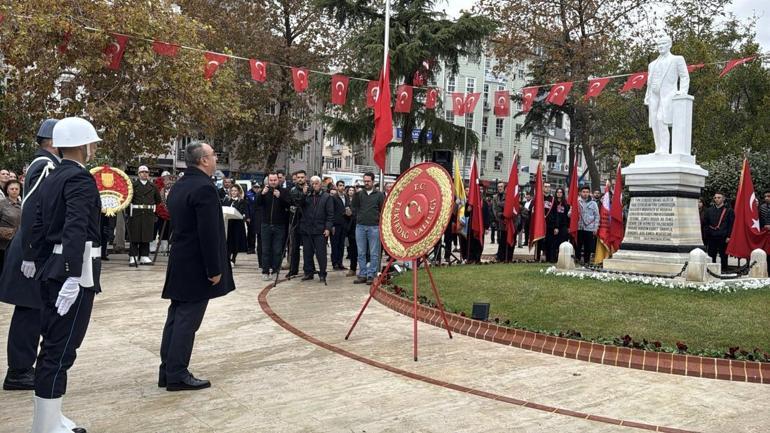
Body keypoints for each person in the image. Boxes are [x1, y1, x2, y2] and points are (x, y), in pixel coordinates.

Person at [23, 117, 102, 432]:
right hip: (75, 270)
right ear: (83, 146)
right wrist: (72, 275)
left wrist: (33, 257)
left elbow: (38, 221)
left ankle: (51, 417)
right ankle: (46, 425)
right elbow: (76, 227)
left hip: (52, 269)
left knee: (53, 344)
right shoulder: (80, 179)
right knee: (61, 348)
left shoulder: (53, 175)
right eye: (92, 143)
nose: (94, 148)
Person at [160, 141, 235, 392]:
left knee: (175, 317)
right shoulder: (204, 188)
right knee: (186, 322)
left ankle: (167, 370)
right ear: (203, 160)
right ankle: (177, 373)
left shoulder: (181, 184)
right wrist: (214, 269)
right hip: (196, 263)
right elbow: (209, 232)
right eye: (213, 155)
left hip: (180, 259)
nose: (216, 159)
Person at [0, 119, 59, 392]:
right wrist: (32, 255)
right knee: (30, 313)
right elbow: (36, 210)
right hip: (31, 251)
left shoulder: (42, 163)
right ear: (53, 141)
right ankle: (19, 371)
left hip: (31, 249)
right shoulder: (46, 165)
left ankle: (22, 367)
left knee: (32, 311)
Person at [298, 176, 334, 283]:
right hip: (307, 229)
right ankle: (308, 272)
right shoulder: (307, 196)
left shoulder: (327, 197)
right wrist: (304, 194)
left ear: (320, 184)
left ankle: (322, 273)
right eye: (312, 184)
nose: (314, 186)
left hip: (320, 229)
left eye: (316, 183)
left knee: (321, 253)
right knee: (307, 252)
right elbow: (299, 206)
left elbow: (330, 214)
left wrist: (328, 228)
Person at [256, 171, 291, 281]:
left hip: (279, 225)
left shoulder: (284, 191)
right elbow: (256, 205)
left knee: (277, 250)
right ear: (268, 180)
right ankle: (265, 271)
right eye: (271, 180)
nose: (273, 182)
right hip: (266, 225)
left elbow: (289, 205)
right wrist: (261, 194)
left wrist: (280, 197)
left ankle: (276, 270)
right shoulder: (264, 191)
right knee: (265, 250)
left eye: (275, 180)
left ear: (278, 180)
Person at [352, 172, 384, 284]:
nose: (366, 183)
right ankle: (362, 274)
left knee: (374, 253)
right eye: (364, 181)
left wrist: (377, 221)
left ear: (373, 181)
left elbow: (382, 210)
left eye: (368, 181)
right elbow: (354, 207)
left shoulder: (379, 195)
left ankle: (371, 274)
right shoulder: (360, 194)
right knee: (361, 252)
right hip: (360, 226)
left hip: (374, 227)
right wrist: (355, 194)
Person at [128, 165, 161, 266]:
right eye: (142, 172)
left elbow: (158, 200)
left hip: (148, 213)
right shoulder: (133, 186)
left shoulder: (153, 186)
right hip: (136, 213)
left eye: (146, 172)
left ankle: (144, 256)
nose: (144, 174)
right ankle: (132, 256)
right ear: (138, 174)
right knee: (135, 236)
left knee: (146, 235)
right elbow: (128, 199)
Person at [703, 192, 734, 270]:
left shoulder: (729, 211)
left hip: (723, 237)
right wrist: (707, 234)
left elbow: (731, 224)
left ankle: (724, 271)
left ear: (723, 199)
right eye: (715, 197)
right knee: (711, 255)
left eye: (719, 197)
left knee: (723, 256)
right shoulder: (709, 210)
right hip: (711, 236)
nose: (716, 199)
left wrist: (729, 236)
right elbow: (705, 223)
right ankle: (711, 271)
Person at [286, 170, 307, 278]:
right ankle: (293, 269)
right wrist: (303, 195)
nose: (300, 179)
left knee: (308, 248)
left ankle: (308, 269)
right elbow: (296, 203)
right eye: (298, 177)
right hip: (295, 221)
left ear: (305, 178)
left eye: (302, 177)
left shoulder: (310, 189)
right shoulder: (292, 190)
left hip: (307, 222)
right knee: (294, 247)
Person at [223, 184, 249, 264]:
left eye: (235, 191)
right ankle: (227, 259)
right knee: (228, 242)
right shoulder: (227, 200)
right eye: (232, 191)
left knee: (236, 242)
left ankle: (233, 259)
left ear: (238, 192)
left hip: (237, 224)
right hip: (229, 223)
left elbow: (243, 212)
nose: (233, 192)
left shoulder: (242, 201)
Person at [0, 180, 22, 269]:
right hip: (3, 245)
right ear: (7, 190)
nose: (14, 190)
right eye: (12, 188)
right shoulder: (2, 204)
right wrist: (6, 232)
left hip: (19, 243)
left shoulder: (23, 204)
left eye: (16, 189)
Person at [575, 186, 599, 264]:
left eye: (587, 192)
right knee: (578, 245)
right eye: (584, 192)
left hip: (589, 227)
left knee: (588, 246)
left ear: (589, 193)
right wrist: (572, 213)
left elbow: (597, 216)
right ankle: (577, 259)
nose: (585, 194)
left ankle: (586, 261)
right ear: (580, 192)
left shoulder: (593, 203)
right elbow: (569, 214)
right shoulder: (576, 202)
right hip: (579, 227)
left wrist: (595, 228)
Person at [546, 187, 570, 263]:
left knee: (562, 243)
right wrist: (555, 227)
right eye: (557, 192)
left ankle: (561, 259)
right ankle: (552, 259)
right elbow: (552, 215)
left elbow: (567, 216)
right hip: (554, 226)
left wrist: (568, 226)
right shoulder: (553, 203)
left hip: (563, 226)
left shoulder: (565, 203)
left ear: (563, 194)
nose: (559, 194)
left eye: (560, 192)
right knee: (553, 243)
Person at [330, 180, 348, 270]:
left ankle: (340, 262)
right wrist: (331, 225)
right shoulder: (333, 197)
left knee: (341, 245)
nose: (342, 187)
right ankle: (335, 263)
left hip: (344, 224)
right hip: (336, 224)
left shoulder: (346, 196)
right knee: (335, 244)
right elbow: (331, 212)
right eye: (340, 185)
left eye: (343, 185)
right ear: (337, 187)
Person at [344, 185, 358, 276]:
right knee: (352, 250)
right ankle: (353, 268)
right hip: (351, 229)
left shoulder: (358, 203)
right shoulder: (347, 201)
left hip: (360, 227)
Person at [245, 181, 259, 255]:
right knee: (251, 233)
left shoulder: (260, 193)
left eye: (257, 187)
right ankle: (250, 248)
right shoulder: (248, 194)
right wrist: (247, 217)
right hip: (251, 217)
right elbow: (246, 206)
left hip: (258, 216)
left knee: (257, 233)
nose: (256, 189)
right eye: (255, 187)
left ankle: (255, 248)